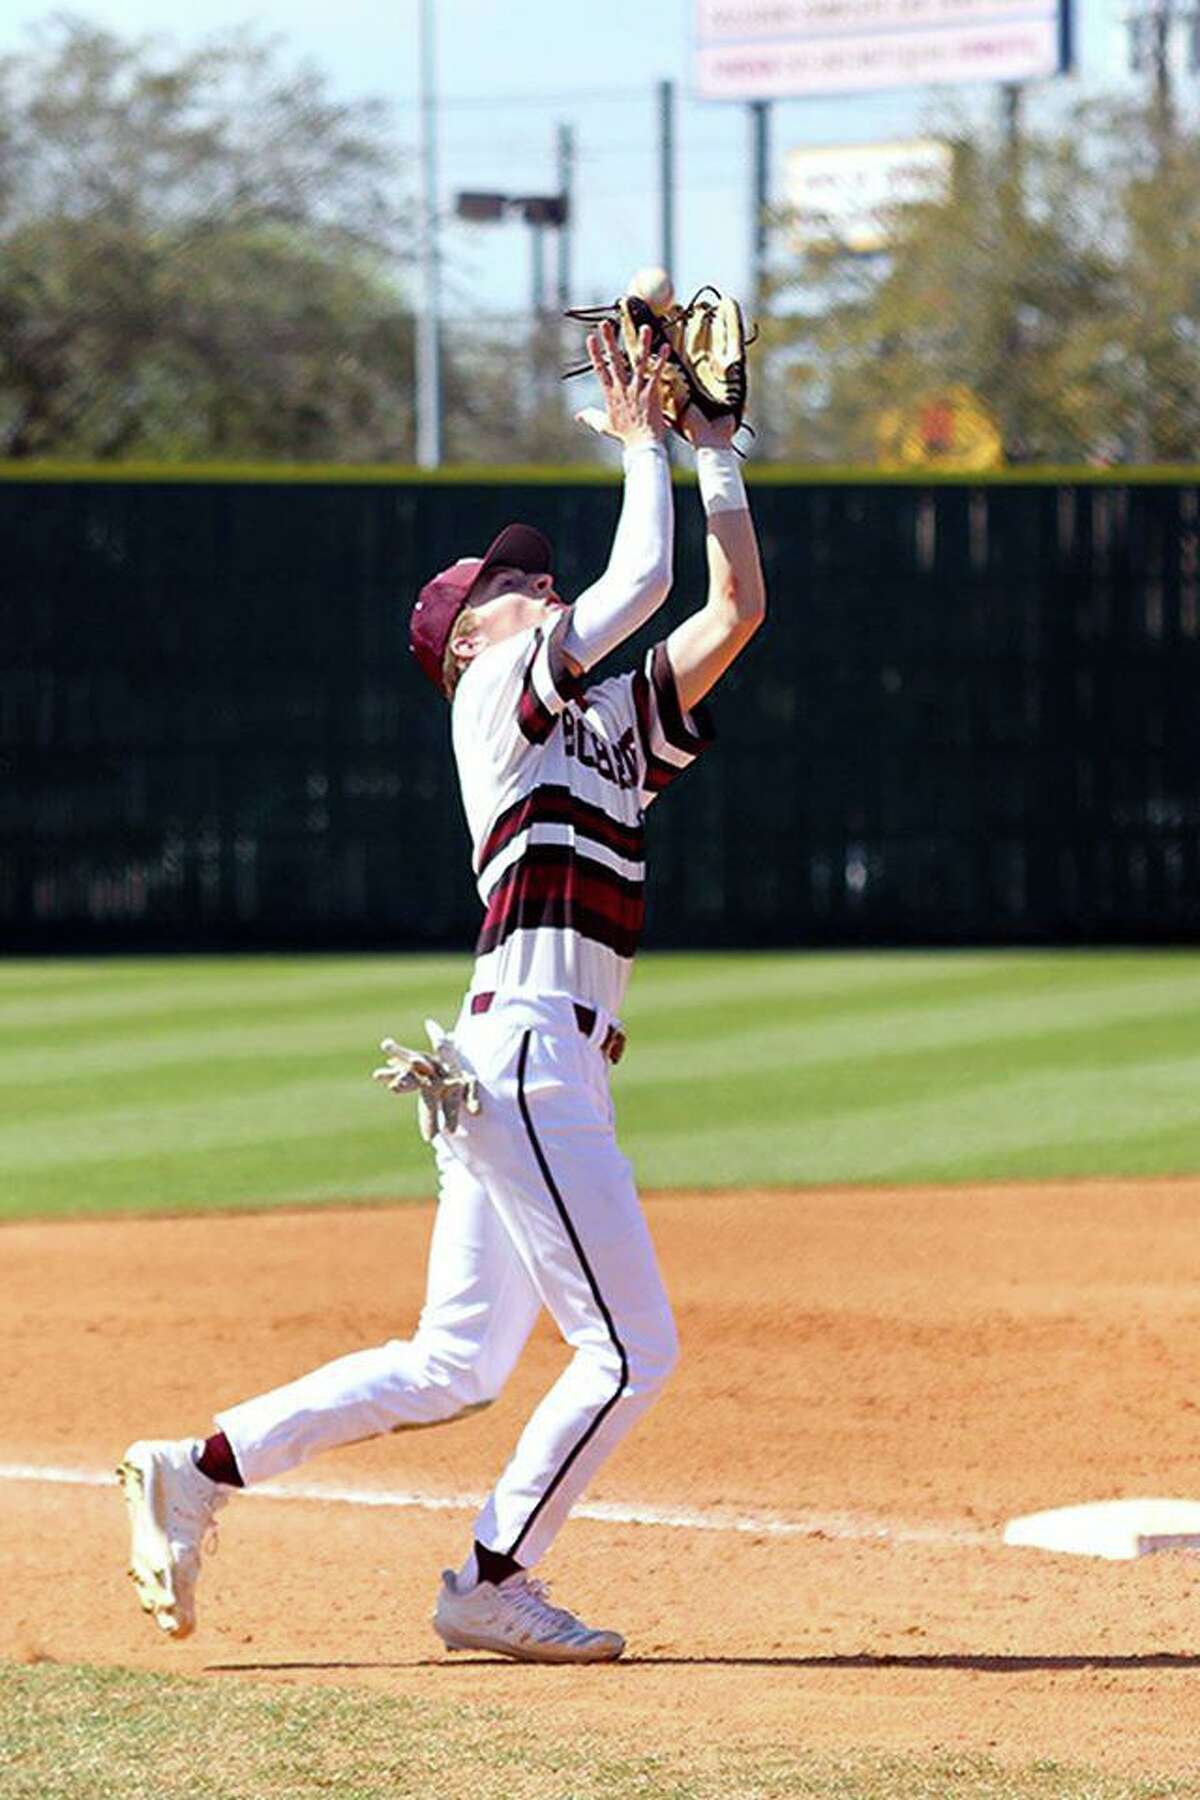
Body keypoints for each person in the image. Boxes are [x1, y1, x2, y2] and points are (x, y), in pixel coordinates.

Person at [118, 318, 767, 1663]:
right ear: (468, 639)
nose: (535, 588)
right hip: (531, 1055)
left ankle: (193, 1471)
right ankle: (489, 1578)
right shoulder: (498, 703)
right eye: (511, 585)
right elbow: (640, 575)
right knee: (631, 1356)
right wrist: (641, 441)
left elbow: (731, 607)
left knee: (456, 1363)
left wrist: (713, 452)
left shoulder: (599, 727)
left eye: (531, 581)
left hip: (522, 1064)